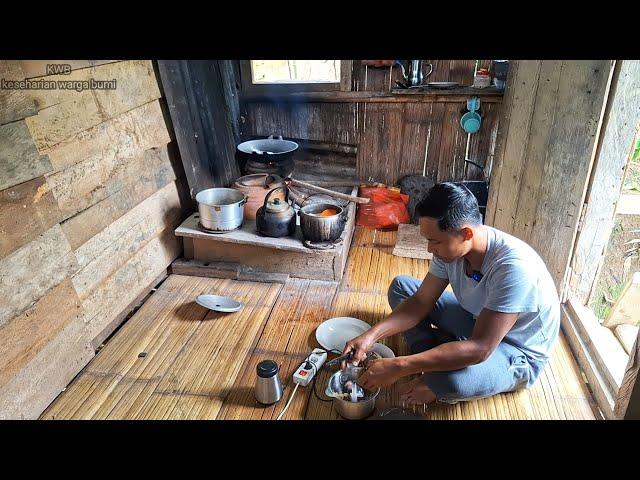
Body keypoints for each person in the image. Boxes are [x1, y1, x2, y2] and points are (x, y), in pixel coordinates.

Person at [343, 182, 560, 406]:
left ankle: (437, 370)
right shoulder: (450, 251)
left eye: (435, 241)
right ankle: (434, 357)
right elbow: (420, 301)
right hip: (478, 318)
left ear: (466, 233)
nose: (429, 250)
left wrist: (400, 366)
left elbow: (481, 348)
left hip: (514, 349)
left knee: (449, 381)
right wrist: (370, 336)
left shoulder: (514, 268)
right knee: (402, 288)